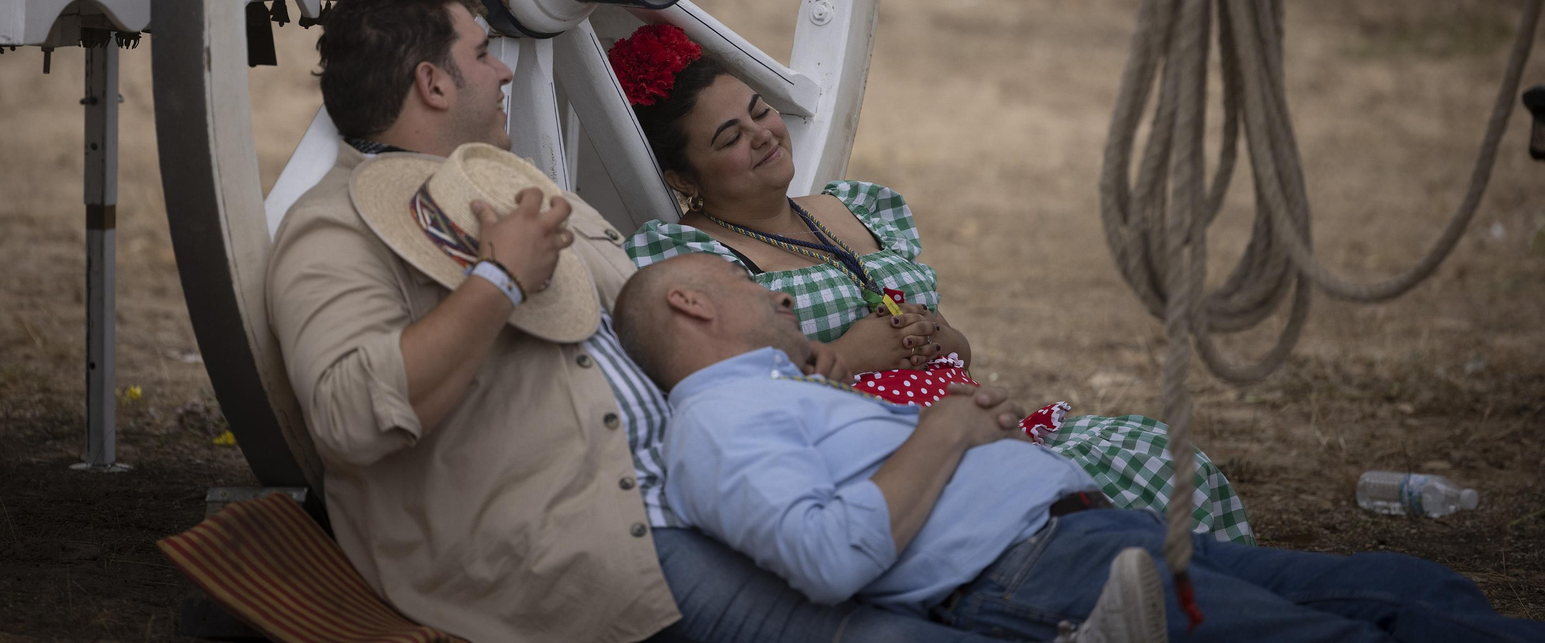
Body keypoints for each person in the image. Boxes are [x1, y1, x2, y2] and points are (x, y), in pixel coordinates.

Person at [264, 0, 1041, 643]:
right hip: (586, 540)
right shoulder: (335, 227)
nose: (506, 73)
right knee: (880, 633)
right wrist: (496, 281)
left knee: (968, 567)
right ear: (433, 84)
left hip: (711, 481)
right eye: (480, 55)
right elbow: (349, 416)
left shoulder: (512, 186)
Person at [612, 253, 1545, 643]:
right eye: (743, 280)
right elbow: (823, 555)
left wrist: (979, 438)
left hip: (1090, 534)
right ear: (691, 305)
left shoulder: (778, 394)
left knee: (1412, 590)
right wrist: (943, 433)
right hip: (1040, 574)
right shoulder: (716, 424)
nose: (776, 294)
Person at [613, 23, 1248, 543]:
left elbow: (957, 353)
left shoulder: (856, 209)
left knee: (1161, 460)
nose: (761, 135)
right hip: (878, 458)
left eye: (760, 112)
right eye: (730, 137)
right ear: (686, 176)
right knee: (1083, 522)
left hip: (963, 413)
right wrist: (853, 355)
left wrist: (942, 335)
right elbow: (715, 392)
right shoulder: (691, 257)